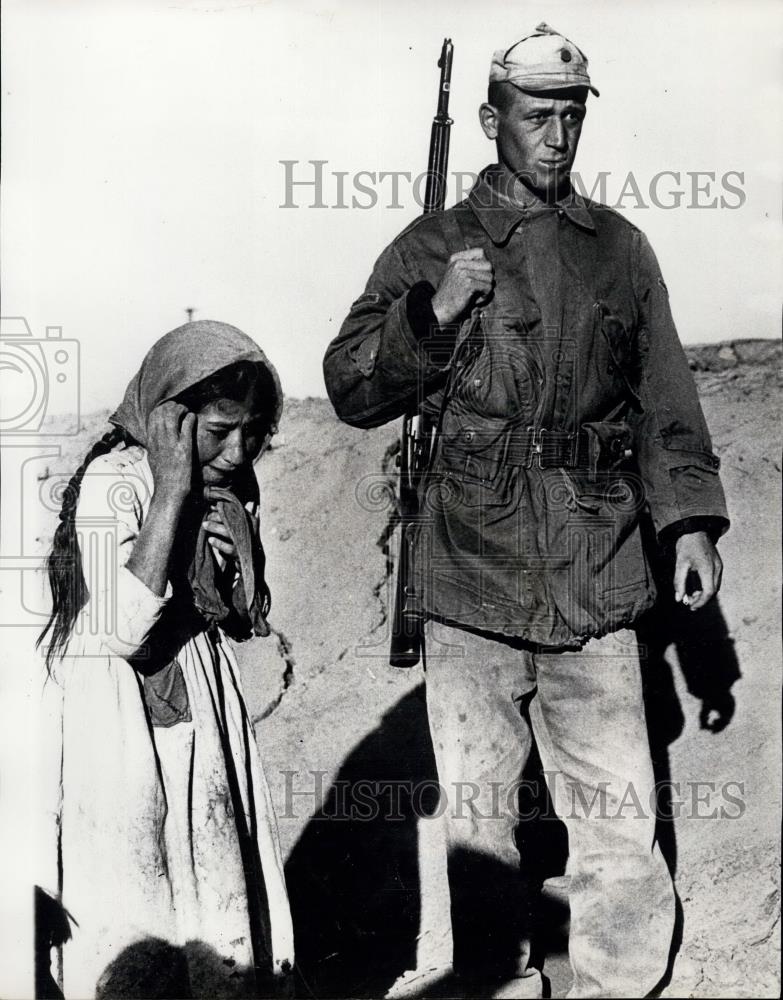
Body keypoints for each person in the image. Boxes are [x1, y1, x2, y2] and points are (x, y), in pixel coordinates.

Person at [323, 23, 729, 1000]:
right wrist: (429, 316)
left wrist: (690, 522)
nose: (556, 135)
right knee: (476, 823)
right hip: (467, 578)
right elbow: (350, 384)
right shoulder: (428, 244)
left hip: (594, 577)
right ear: (491, 117)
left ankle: (615, 983)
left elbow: (665, 397)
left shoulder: (620, 254)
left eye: (571, 115)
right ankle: (494, 979)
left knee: (617, 819)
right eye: (537, 114)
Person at [35, 321, 294, 999]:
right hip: (121, 716)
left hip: (199, 700)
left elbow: (242, 619)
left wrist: (234, 571)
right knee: (141, 879)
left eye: (253, 431)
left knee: (209, 868)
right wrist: (172, 495)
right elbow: (121, 628)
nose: (238, 453)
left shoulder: (230, 490)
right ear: (169, 419)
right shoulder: (113, 484)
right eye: (219, 431)